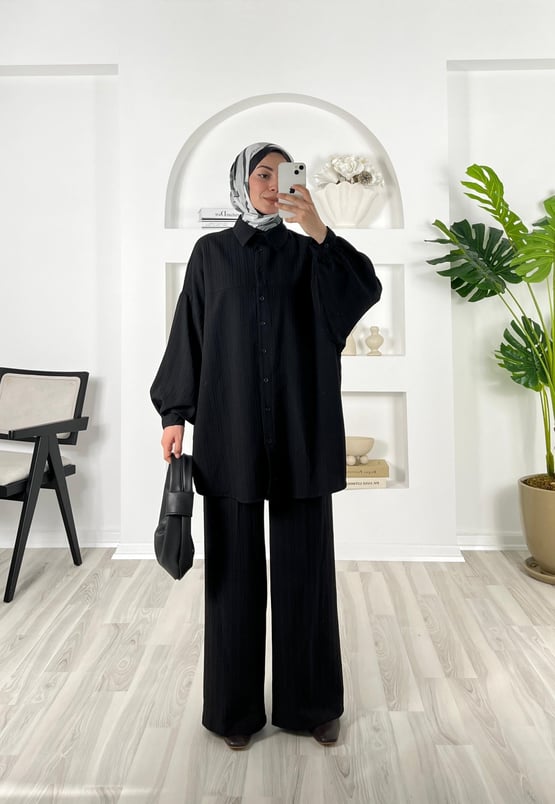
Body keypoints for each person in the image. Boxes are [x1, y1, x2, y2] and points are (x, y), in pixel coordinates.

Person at [151, 142, 382, 750]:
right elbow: (189, 332)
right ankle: (234, 712)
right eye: (262, 173)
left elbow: (365, 288)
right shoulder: (210, 254)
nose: (274, 183)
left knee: (306, 573)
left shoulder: (311, 255)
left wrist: (319, 229)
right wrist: (175, 414)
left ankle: (311, 707)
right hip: (231, 432)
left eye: (284, 174)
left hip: (302, 433)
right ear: (241, 182)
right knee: (233, 576)